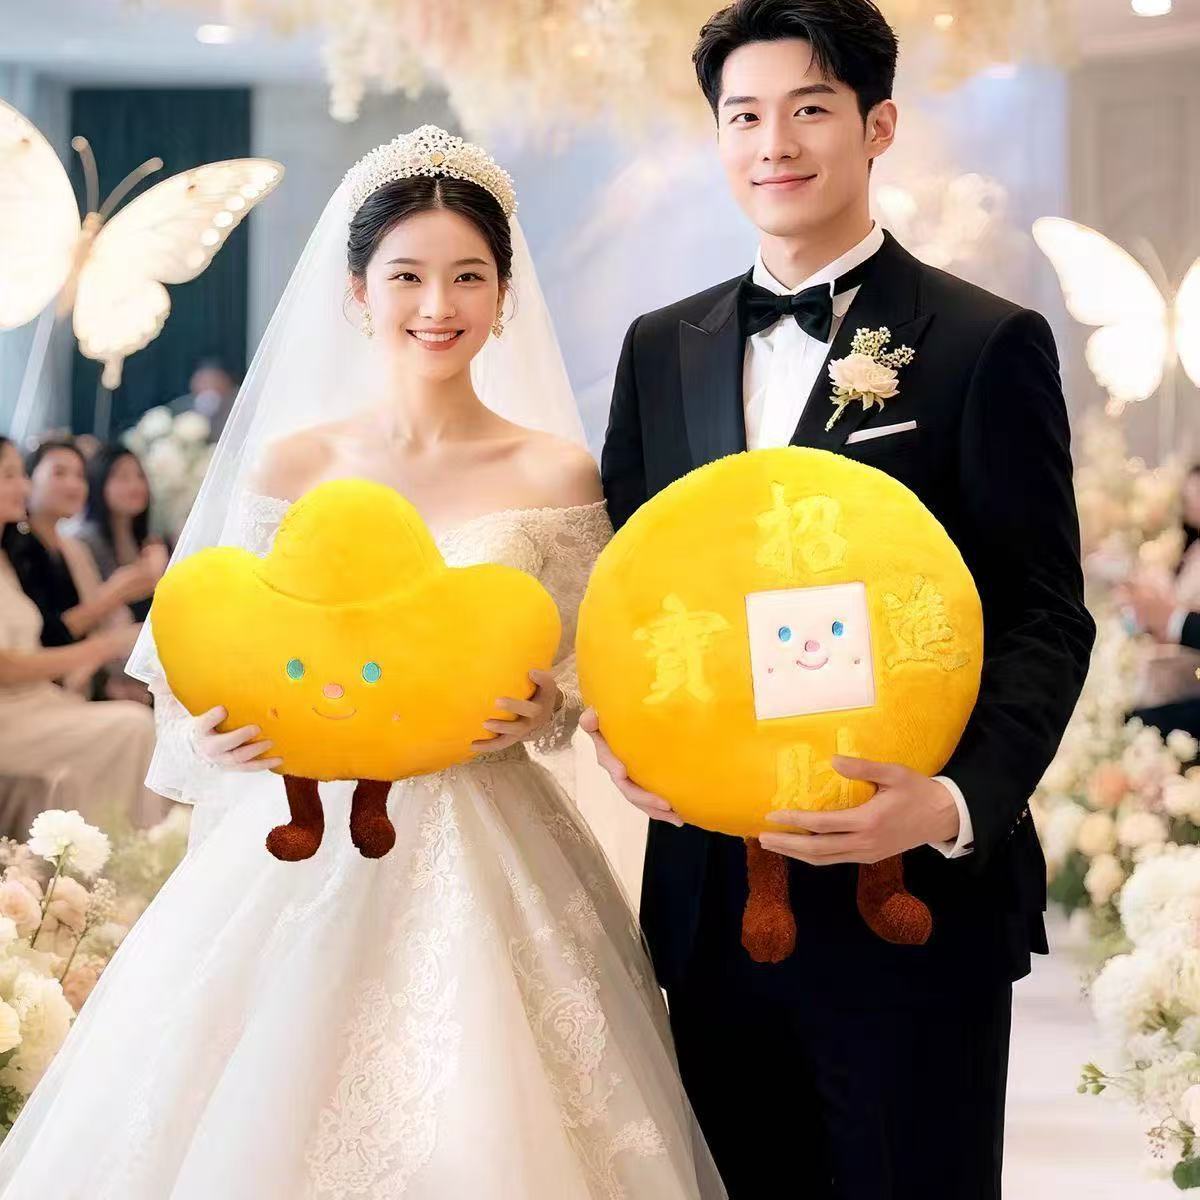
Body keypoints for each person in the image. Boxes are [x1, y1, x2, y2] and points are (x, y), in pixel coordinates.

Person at [0, 128, 725, 1200]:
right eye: (407, 275)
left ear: (503, 293)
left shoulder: (557, 471)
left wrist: (548, 708)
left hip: (490, 828)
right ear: (358, 291)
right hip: (304, 833)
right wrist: (217, 730)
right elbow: (222, 642)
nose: (438, 304)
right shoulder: (295, 463)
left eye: (468, 276)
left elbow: (592, 672)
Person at [582, 3, 1095, 1197]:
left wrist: (951, 803)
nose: (774, 143)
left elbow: (1043, 613)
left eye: (809, 109)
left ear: (878, 126)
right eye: (744, 116)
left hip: (909, 898)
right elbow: (631, 590)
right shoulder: (661, 348)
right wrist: (622, 731)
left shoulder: (983, 341)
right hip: (715, 897)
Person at [0, 435, 170, 832]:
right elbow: (17, 659)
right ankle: (127, 851)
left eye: (21, 475)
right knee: (133, 726)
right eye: (10, 476)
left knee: (145, 718)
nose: (22, 486)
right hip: (16, 709)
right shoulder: (32, 551)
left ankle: (122, 850)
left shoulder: (10, 558)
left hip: (42, 697)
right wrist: (105, 641)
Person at [14, 439, 164, 695]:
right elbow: (47, 635)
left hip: (88, 675)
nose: (73, 484)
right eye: (59, 473)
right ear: (28, 481)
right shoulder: (20, 549)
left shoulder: (71, 549)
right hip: (49, 684)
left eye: (80, 476)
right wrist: (118, 591)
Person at [168, 356, 239, 442]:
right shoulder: (181, 407)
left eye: (212, 381)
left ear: (226, 381)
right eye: (203, 381)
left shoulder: (238, 406)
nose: (207, 387)